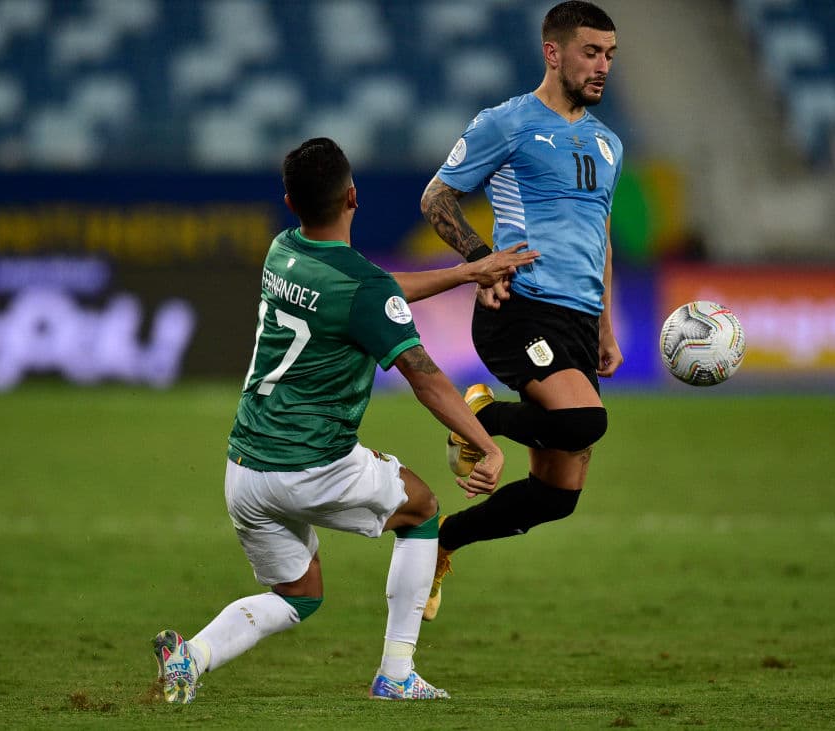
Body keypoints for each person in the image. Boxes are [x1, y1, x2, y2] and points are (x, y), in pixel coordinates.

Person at [152, 137, 538, 703]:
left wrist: (463, 274)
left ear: (289, 201)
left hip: (245, 469)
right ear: (354, 196)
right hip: (310, 465)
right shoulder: (361, 287)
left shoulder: (282, 250)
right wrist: (489, 442)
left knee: (299, 594)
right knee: (423, 510)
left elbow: (378, 294)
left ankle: (191, 658)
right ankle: (397, 673)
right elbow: (425, 376)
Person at [418, 0, 623, 621]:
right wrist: (482, 262)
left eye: (611, 55)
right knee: (585, 423)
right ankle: (477, 412)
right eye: (591, 52)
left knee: (556, 495)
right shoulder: (507, 123)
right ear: (553, 52)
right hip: (520, 308)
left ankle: (440, 542)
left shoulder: (609, 142)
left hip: (577, 324)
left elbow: (600, 236)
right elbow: (437, 198)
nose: (603, 66)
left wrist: (605, 328)